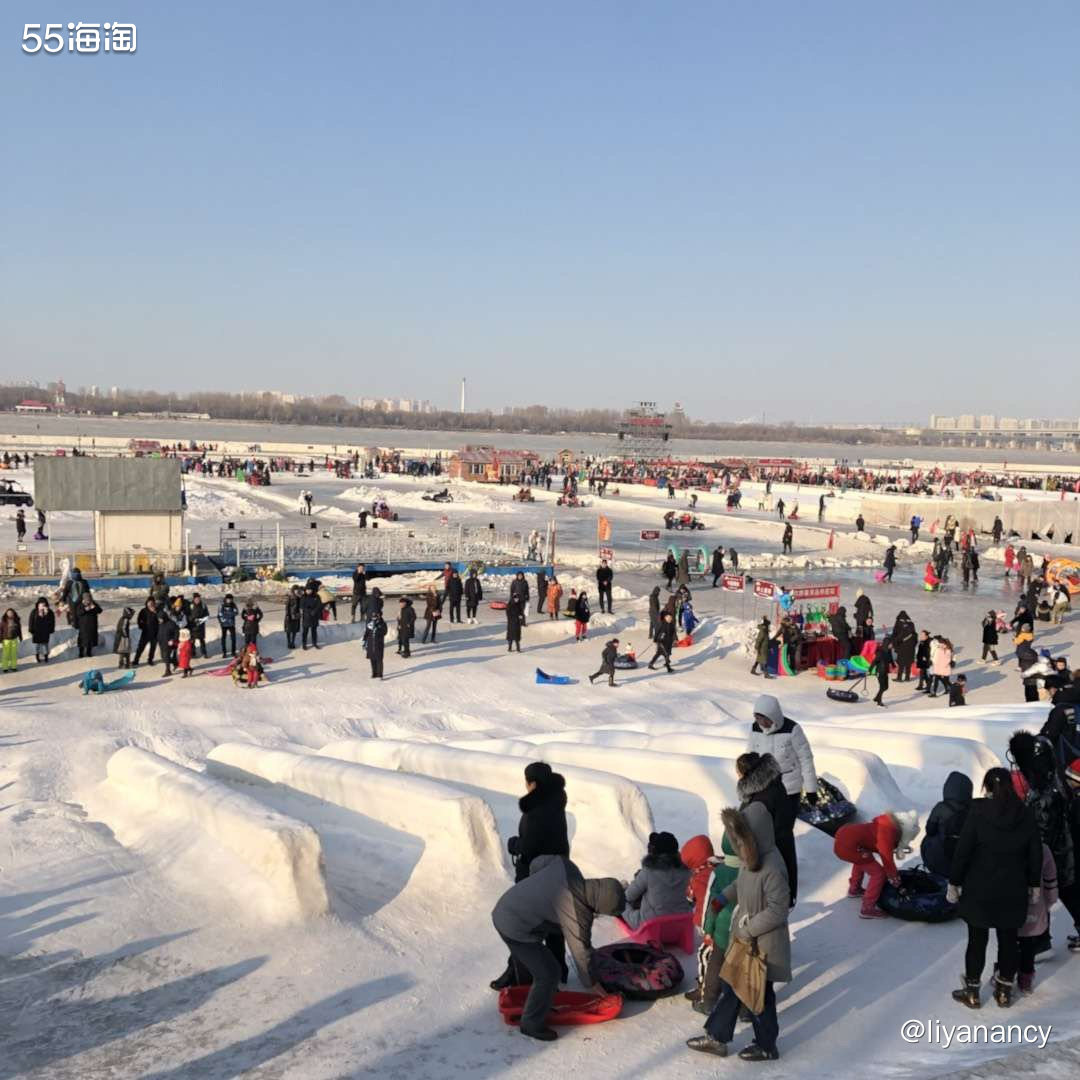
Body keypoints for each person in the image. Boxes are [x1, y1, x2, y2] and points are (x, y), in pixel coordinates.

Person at [686, 804, 790, 1062]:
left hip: (763, 943)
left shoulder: (773, 867)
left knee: (759, 995)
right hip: (746, 937)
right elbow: (741, 882)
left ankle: (765, 1045)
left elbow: (779, 910)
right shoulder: (750, 858)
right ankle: (717, 1037)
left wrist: (748, 930)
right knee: (734, 986)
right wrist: (724, 896)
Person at [491, 855, 625, 1042]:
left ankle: (529, 991)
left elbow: (538, 862)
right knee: (549, 973)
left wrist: (537, 888)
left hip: (507, 906)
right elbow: (580, 952)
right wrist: (593, 985)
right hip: (515, 926)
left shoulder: (568, 867)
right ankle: (531, 1024)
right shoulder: (576, 911)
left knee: (537, 957)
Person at [948, 767, 1042, 1009]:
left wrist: (954, 881)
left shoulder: (977, 811)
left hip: (979, 888)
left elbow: (963, 851)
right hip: (1014, 888)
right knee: (1009, 940)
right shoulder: (1025, 813)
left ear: (987, 787)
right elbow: (1035, 852)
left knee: (976, 940)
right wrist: (1033, 884)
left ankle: (972, 992)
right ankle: (1003, 992)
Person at [491, 762, 571, 991]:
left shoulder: (538, 809)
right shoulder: (556, 798)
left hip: (535, 872)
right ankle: (558, 968)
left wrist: (515, 844)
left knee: (523, 922)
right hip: (558, 867)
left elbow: (530, 845)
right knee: (554, 920)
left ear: (532, 783)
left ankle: (518, 971)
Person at [745, 697, 817, 875]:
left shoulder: (792, 729)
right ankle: (769, 869)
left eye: (764, 718)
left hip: (788, 790)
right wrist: (748, 786)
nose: (761, 723)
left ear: (774, 715)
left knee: (783, 834)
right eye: (758, 718)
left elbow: (806, 759)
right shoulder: (755, 728)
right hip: (764, 789)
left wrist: (811, 789)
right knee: (763, 831)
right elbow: (750, 757)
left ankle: (787, 872)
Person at [833, 809, 919, 919]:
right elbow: (887, 861)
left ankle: (854, 889)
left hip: (844, 840)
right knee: (879, 873)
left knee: (862, 859)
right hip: (849, 847)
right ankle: (867, 908)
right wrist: (895, 879)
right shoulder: (886, 833)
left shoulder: (886, 824)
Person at [737, 752, 797, 905]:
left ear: (746, 773)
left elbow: (756, 829)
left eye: (738, 772)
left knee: (769, 903)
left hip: (769, 856)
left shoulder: (760, 798)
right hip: (781, 848)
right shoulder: (772, 785)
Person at [622, 831, 691, 928]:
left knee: (622, 903)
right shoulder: (686, 873)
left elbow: (628, 896)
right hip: (680, 923)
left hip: (653, 925)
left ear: (655, 851)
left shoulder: (649, 872)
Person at [920, 771, 973, 878]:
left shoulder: (940, 807)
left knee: (928, 840)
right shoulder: (973, 809)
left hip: (940, 861)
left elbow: (930, 830)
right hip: (966, 862)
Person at [28, 597, 55, 663]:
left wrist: (47, 613)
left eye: (44, 604)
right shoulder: (34, 611)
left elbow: (52, 621)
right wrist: (31, 629)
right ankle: (37, 657)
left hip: (45, 631)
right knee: (37, 645)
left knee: (45, 645)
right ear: (38, 604)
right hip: (36, 631)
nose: (42, 605)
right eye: (41, 604)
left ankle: (46, 656)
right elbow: (31, 621)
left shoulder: (49, 612)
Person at [75, 594, 103, 659]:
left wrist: (95, 607)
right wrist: (85, 609)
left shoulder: (94, 604)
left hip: (92, 625)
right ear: (84, 599)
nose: (88, 601)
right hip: (83, 626)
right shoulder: (80, 605)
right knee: (82, 639)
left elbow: (100, 611)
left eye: (89, 599)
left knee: (91, 639)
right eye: (87, 599)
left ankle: (88, 652)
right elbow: (78, 613)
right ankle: (81, 653)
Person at [133, 599, 159, 666]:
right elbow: (139, 619)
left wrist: (155, 612)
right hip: (146, 632)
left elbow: (161, 619)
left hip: (155, 632)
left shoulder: (157, 610)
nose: (150, 604)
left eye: (152, 603)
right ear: (147, 603)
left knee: (153, 647)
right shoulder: (143, 611)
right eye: (149, 603)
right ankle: (136, 660)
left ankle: (150, 660)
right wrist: (141, 626)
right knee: (141, 647)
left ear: (154, 603)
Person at [870, 635, 894, 707]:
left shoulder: (888, 651)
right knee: (882, 687)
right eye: (891, 644)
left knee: (886, 687)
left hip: (885, 671)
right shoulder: (880, 652)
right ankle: (879, 701)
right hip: (880, 672)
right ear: (887, 643)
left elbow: (890, 659)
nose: (892, 645)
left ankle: (876, 698)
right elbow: (874, 662)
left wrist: (893, 665)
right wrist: (870, 670)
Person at [365, 608, 387, 678]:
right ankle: (374, 673)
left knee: (379, 659)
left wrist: (377, 628)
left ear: (379, 615)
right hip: (371, 644)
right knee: (372, 659)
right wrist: (364, 640)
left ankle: (380, 674)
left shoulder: (382, 623)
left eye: (376, 615)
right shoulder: (370, 624)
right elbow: (367, 633)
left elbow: (384, 632)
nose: (374, 616)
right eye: (373, 615)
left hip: (378, 644)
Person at [300, 582, 323, 649]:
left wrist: (315, 611)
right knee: (305, 631)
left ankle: (314, 643)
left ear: (312, 590)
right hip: (306, 617)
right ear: (305, 590)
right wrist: (309, 611)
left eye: (310, 589)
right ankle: (304, 644)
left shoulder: (316, 596)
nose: (308, 591)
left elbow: (319, 605)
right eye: (307, 590)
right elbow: (302, 606)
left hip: (314, 617)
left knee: (314, 631)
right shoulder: (303, 597)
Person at [156, 608, 177, 676]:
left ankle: (168, 671)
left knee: (166, 656)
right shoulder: (160, 624)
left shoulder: (171, 623)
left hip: (169, 644)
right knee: (163, 657)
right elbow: (159, 632)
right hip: (161, 643)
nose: (159, 620)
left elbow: (177, 633)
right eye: (158, 618)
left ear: (164, 617)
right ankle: (174, 662)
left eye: (160, 618)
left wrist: (173, 640)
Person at [188, 592, 209, 658]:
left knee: (202, 640)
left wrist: (201, 620)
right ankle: (193, 653)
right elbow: (187, 614)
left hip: (201, 626)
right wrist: (192, 619)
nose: (197, 600)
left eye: (198, 598)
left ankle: (204, 653)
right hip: (192, 625)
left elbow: (207, 615)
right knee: (192, 641)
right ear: (194, 599)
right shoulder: (190, 605)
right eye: (196, 599)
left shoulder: (203, 605)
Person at [0, 608, 21, 673]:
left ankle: (13, 667)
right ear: (6, 614)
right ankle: (5, 667)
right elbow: (0, 631)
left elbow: (19, 630)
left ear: (14, 613)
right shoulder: (3, 621)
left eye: (11, 612)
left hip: (14, 639)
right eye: (8, 613)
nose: (10, 614)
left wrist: (20, 637)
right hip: (6, 640)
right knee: (5, 654)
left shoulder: (16, 621)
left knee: (14, 654)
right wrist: (0, 639)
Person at [284, 585, 302, 649]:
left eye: (297, 589)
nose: (296, 591)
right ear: (293, 590)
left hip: (296, 616)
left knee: (294, 630)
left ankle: (293, 642)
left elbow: (301, 606)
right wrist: (288, 615)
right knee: (288, 630)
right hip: (289, 616)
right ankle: (289, 642)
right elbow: (287, 607)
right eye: (295, 589)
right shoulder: (289, 597)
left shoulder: (299, 597)